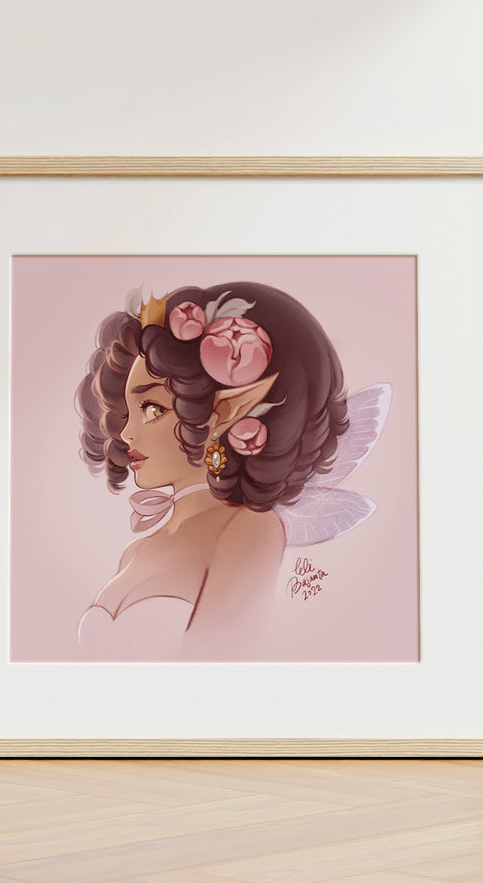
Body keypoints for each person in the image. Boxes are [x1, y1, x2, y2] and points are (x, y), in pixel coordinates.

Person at [75, 280, 376, 660]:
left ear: (226, 412)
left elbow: (225, 664)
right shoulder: (136, 551)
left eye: (152, 409)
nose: (126, 433)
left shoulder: (248, 528)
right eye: (128, 411)